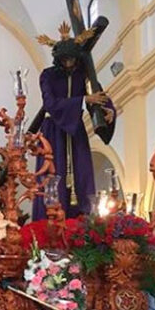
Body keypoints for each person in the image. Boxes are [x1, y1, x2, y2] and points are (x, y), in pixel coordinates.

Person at [32, 22, 116, 220]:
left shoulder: (83, 75)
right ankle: (50, 221)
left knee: (82, 172)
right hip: (53, 131)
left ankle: (82, 219)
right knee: (53, 174)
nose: (69, 63)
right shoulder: (48, 76)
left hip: (75, 130)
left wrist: (108, 111)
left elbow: (98, 96)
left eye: (72, 58)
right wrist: (83, 100)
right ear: (59, 59)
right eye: (65, 59)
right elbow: (50, 103)